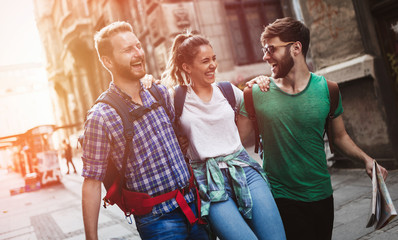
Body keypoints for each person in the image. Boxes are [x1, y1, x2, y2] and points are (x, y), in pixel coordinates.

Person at [241, 17, 389, 240]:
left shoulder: (328, 90)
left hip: (321, 196)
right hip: (279, 197)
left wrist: (367, 159)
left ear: (296, 48)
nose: (265, 56)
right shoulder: (255, 93)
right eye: (264, 49)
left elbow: (339, 137)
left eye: (271, 48)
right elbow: (233, 143)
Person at [81, 22, 208, 240]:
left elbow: (181, 140)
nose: (138, 53)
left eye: (138, 46)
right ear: (107, 61)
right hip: (158, 222)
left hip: (195, 206)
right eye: (127, 50)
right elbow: (91, 183)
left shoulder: (158, 92)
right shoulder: (100, 116)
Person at [161, 32, 286, 240]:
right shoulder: (177, 97)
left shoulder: (226, 90)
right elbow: (153, 105)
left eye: (214, 59)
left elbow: (250, 99)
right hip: (208, 179)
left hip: (245, 169)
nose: (213, 65)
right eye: (205, 61)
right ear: (186, 67)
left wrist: (260, 80)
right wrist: (146, 81)